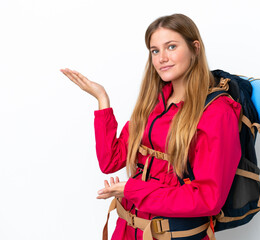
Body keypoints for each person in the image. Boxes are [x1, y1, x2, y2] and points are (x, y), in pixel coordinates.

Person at [61, 13, 241, 240]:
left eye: (171, 47)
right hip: (126, 231)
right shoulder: (154, 103)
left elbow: (207, 199)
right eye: (155, 51)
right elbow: (110, 161)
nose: (162, 58)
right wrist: (102, 100)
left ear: (195, 49)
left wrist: (131, 190)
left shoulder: (217, 113)